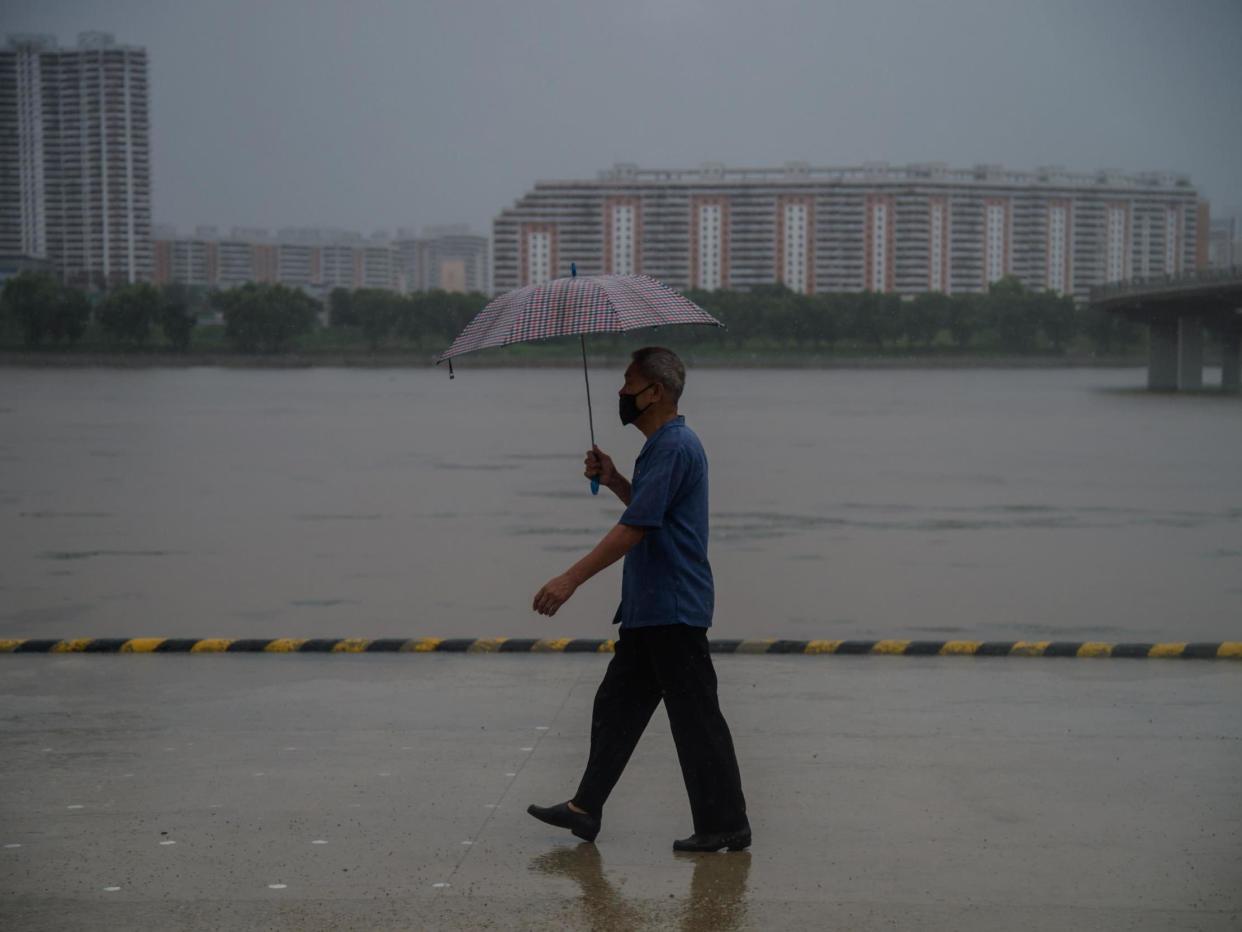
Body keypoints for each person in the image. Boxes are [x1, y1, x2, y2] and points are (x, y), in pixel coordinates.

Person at [527, 346, 751, 853]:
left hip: (674, 606)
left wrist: (570, 579)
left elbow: (636, 529)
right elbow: (652, 511)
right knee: (617, 706)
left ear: (656, 391)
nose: (621, 393)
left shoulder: (674, 445)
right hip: (651, 608)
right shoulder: (661, 448)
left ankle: (726, 823)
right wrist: (614, 480)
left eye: (628, 382)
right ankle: (586, 809)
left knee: (696, 718)